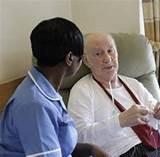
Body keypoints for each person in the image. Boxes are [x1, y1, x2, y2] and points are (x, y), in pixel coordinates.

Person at [0, 17, 106, 157]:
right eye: (81, 58)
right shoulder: (35, 105)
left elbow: (58, 144)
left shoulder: (45, 90)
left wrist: (91, 149)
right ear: (69, 58)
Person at [67, 33, 160, 157]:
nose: (107, 58)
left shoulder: (134, 84)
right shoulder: (82, 90)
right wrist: (120, 121)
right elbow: (79, 138)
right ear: (87, 60)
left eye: (110, 51)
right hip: (125, 152)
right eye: (98, 54)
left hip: (159, 149)